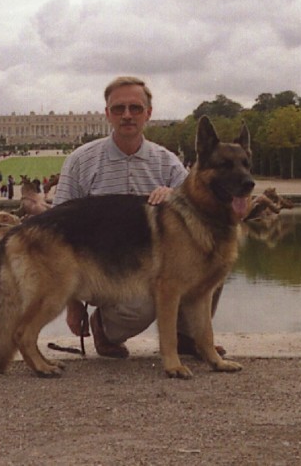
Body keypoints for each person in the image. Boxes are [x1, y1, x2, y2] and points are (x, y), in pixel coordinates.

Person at [53, 75, 212, 359]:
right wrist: (72, 301)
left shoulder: (167, 161)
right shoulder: (80, 160)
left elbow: (202, 213)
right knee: (146, 298)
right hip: (98, 269)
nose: (127, 115)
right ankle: (104, 328)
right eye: (119, 109)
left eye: (135, 108)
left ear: (148, 114)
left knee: (211, 258)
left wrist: (175, 197)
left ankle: (189, 336)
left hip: (153, 263)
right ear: (107, 114)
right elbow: (57, 231)